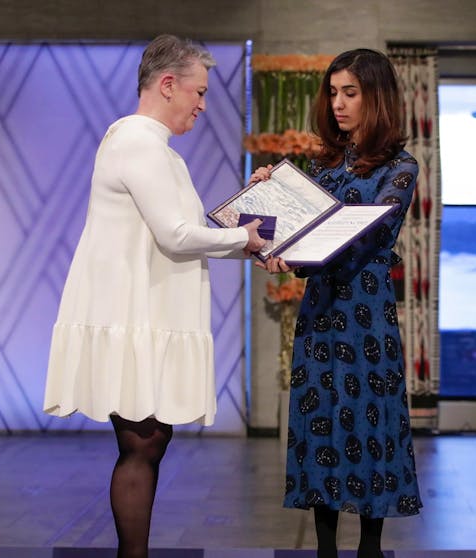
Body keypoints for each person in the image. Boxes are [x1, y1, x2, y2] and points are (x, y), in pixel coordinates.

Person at [42, 34, 265, 558]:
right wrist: (244, 238)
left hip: (143, 309)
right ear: (168, 85)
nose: (203, 105)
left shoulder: (156, 149)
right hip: (129, 312)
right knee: (142, 442)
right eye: (199, 92)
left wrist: (250, 237)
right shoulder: (138, 142)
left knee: (150, 440)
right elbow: (176, 236)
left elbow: (187, 234)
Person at [257, 48, 423, 558]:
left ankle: (370, 548)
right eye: (333, 93)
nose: (338, 104)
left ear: (377, 97)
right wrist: (268, 198)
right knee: (320, 423)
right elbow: (297, 227)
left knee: (370, 422)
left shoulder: (400, 167)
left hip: (367, 315)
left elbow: (360, 236)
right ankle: (324, 548)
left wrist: (297, 251)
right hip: (321, 313)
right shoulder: (322, 165)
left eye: (350, 92)